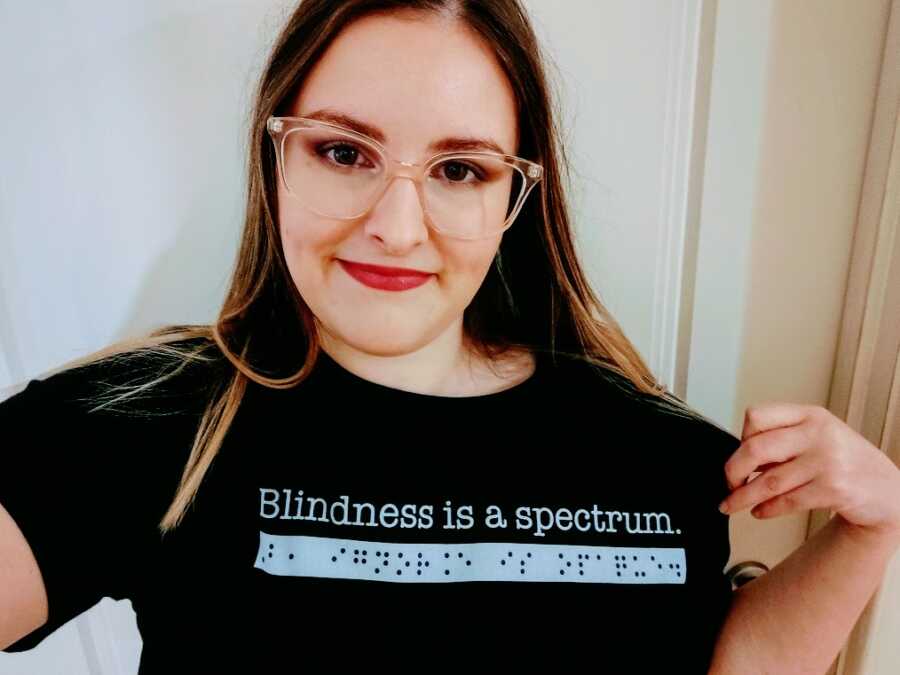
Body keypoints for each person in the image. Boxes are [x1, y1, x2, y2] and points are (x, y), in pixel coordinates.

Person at [0, 1, 742, 672]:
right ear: (277, 156)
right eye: (345, 153)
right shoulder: (143, 422)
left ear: (514, 194)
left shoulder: (655, 448)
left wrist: (854, 542)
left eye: (458, 169)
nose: (396, 229)